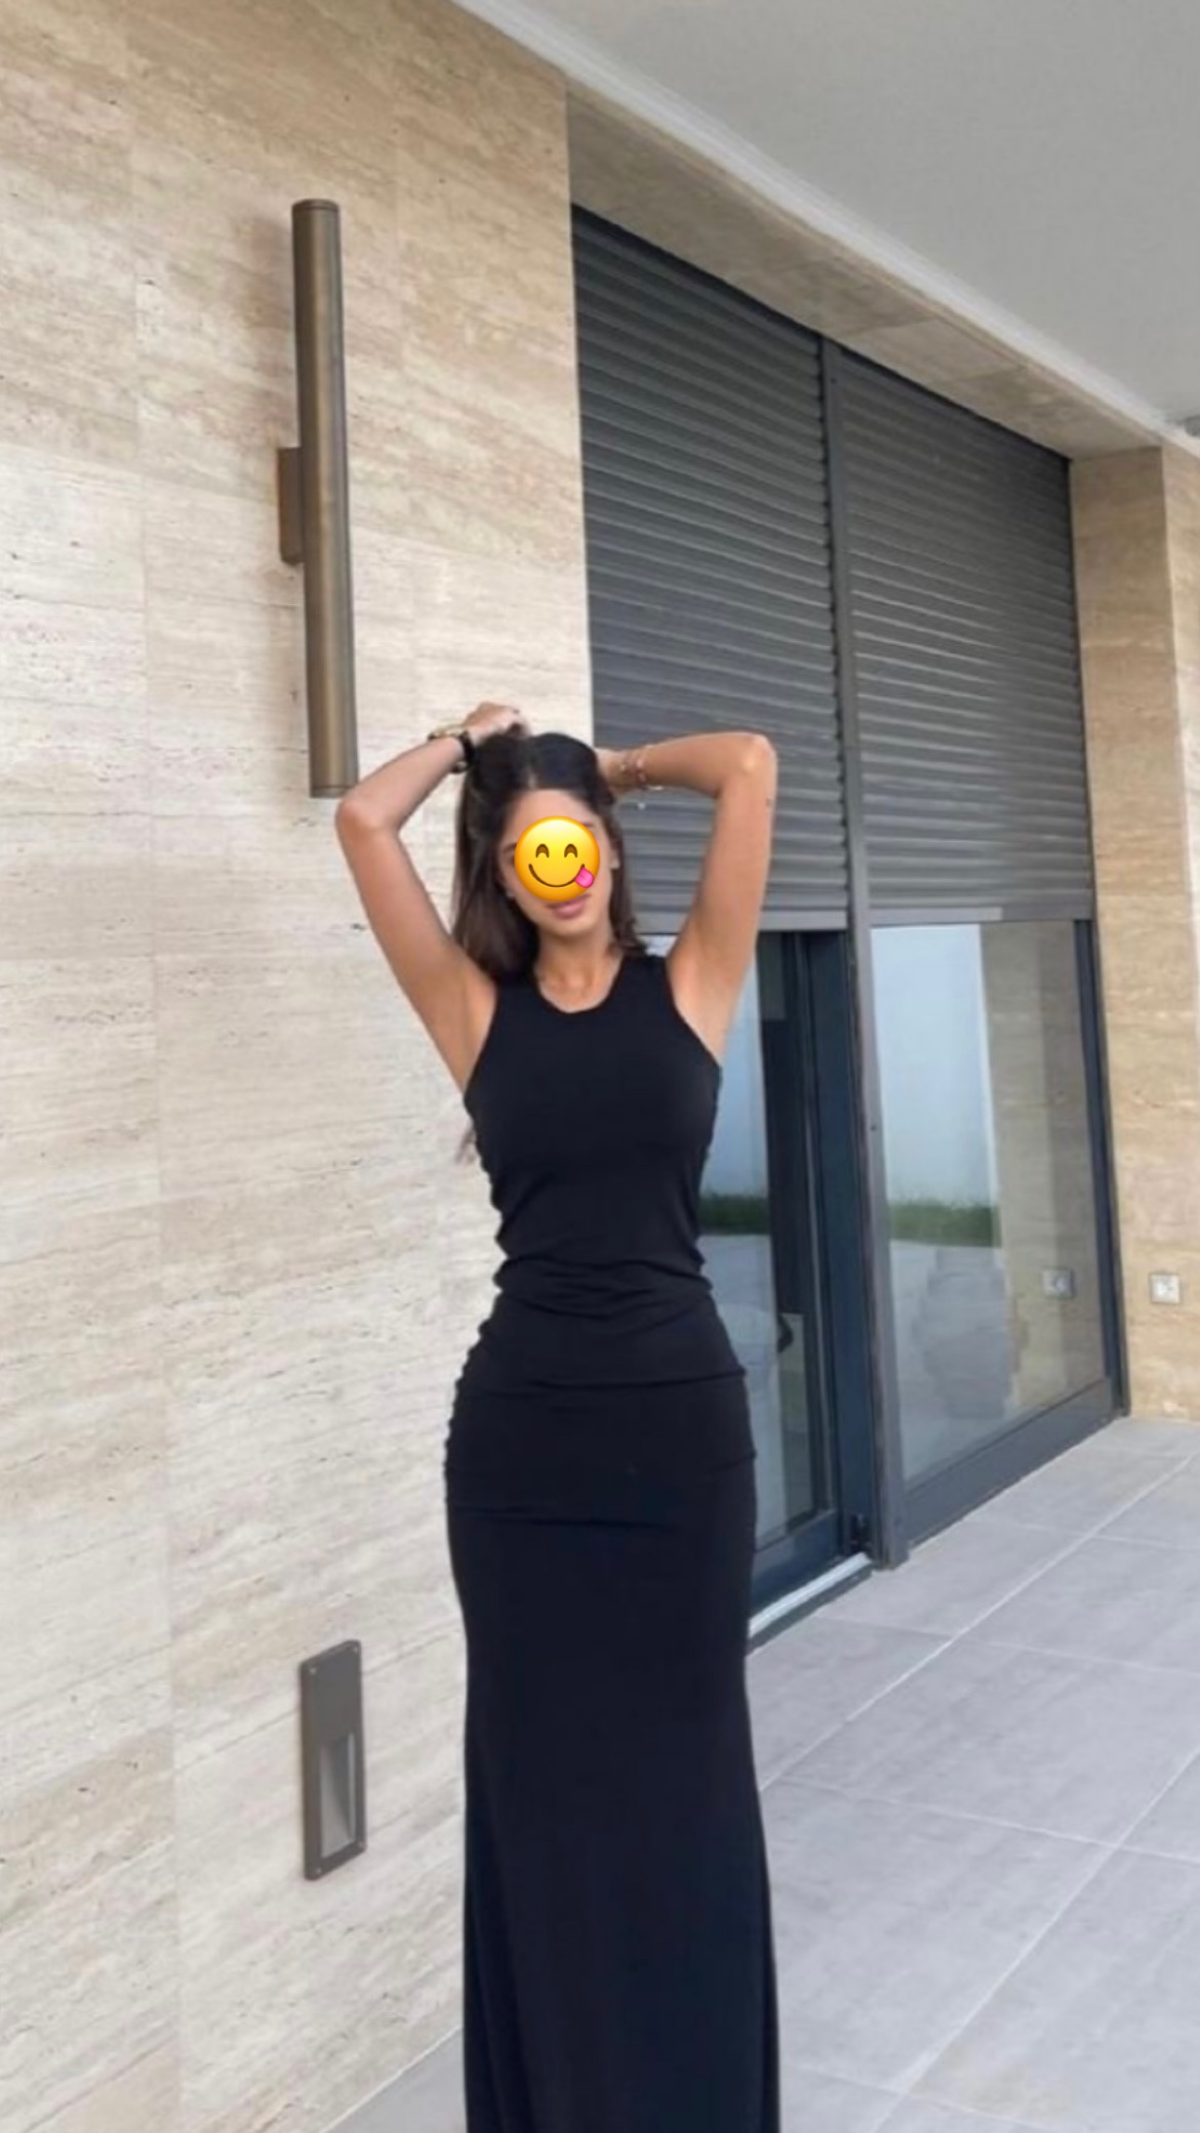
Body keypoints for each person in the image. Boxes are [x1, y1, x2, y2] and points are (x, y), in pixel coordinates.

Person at [335, 702, 782, 2133]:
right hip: (522, 1458)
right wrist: (464, 746)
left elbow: (751, 766)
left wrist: (611, 770)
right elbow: (361, 822)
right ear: (508, 875)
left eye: (575, 840)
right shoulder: (474, 1014)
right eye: (532, 851)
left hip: (681, 1451)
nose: (561, 867)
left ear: (604, 848)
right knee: (541, 1795)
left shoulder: (694, 981)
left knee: (687, 1789)